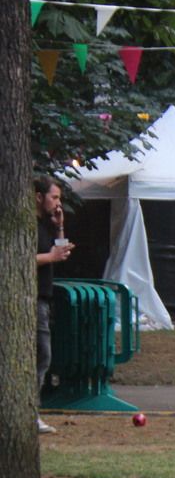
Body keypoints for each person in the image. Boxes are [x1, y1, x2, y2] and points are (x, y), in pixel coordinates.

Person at [34, 177, 73, 435]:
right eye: (54, 197)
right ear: (39, 196)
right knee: (42, 354)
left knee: (42, 355)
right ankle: (30, 412)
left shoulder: (45, 225)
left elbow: (59, 255)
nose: (58, 203)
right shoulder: (28, 224)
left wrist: (59, 228)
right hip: (32, 298)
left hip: (44, 295)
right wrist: (50, 256)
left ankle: (30, 412)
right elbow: (18, 255)